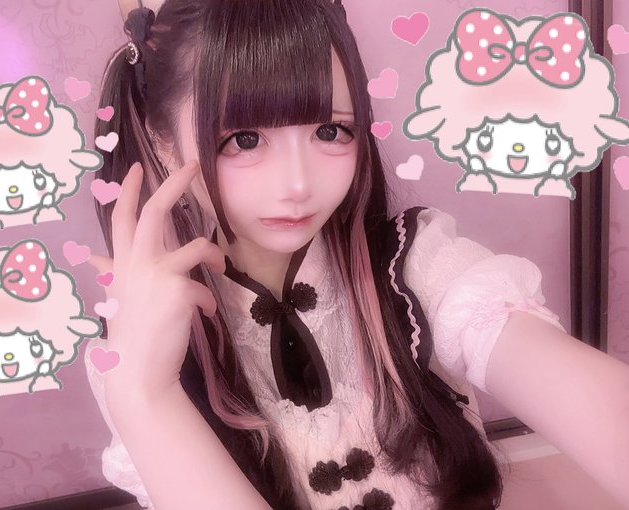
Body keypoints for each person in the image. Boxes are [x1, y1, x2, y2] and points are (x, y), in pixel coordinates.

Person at [84, 1, 629, 509]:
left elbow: (551, 370)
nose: (298, 184)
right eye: (244, 140)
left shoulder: (415, 267)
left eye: (330, 130)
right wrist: (143, 393)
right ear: (163, 142)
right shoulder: (145, 345)